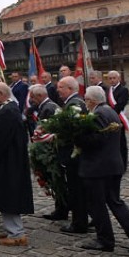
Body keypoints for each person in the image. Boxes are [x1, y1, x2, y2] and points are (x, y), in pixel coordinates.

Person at [76, 86, 129, 254]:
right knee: (115, 203)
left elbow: (97, 140)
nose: (85, 103)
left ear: (92, 101)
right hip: (112, 165)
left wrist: (77, 136)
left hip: (98, 168)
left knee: (98, 204)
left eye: (86, 100)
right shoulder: (109, 111)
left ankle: (105, 240)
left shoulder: (98, 114)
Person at [0, 83, 34, 246]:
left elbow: (0, 139)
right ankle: (11, 229)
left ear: (1, 94)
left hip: (8, 162)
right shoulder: (8, 108)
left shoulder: (8, 111)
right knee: (5, 196)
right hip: (8, 160)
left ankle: (16, 233)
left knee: (9, 196)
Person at [27, 84, 66, 221]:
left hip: (51, 150)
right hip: (50, 149)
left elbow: (46, 129)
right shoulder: (47, 105)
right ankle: (61, 207)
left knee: (56, 180)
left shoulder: (48, 107)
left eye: (32, 97)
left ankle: (62, 209)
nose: (31, 100)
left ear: (40, 96)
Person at [56, 76, 89, 235]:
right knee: (77, 189)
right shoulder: (74, 102)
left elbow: (73, 130)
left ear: (69, 88)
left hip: (73, 154)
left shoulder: (74, 104)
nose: (57, 90)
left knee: (76, 190)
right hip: (74, 153)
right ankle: (81, 219)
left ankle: (79, 223)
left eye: (60, 87)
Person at [105, 70, 129, 170]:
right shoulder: (108, 90)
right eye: (110, 78)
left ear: (118, 79)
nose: (112, 80)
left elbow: (120, 104)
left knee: (121, 143)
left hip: (118, 119)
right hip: (109, 120)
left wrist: (108, 113)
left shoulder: (123, 90)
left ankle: (123, 165)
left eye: (114, 78)